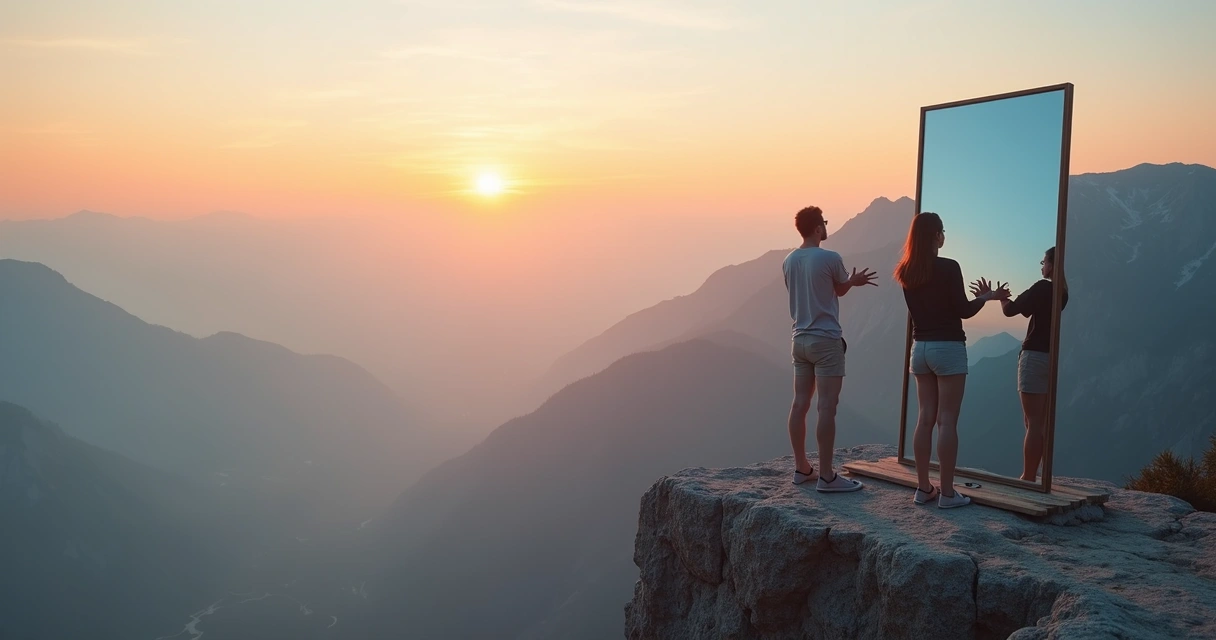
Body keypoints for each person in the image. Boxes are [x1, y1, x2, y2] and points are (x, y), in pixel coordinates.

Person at [894, 212, 1008, 508]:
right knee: (946, 421)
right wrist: (986, 298)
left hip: (920, 349)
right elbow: (963, 311)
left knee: (924, 419)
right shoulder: (949, 267)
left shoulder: (905, 271)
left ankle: (923, 489)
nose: (944, 236)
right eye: (942, 231)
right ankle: (947, 493)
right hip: (948, 348)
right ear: (936, 235)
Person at [783, 205, 878, 493]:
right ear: (817, 228)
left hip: (799, 339)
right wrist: (854, 281)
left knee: (799, 404)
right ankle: (826, 476)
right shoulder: (830, 258)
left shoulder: (789, 260)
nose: (826, 227)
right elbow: (839, 289)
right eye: (824, 222)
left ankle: (802, 468)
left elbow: (812, 292)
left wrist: (848, 283)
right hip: (826, 341)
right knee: (826, 406)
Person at [998, 246, 1068, 482]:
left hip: (1034, 358)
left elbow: (1010, 311)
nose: (1042, 267)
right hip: (1051, 359)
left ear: (1052, 264)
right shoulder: (1063, 293)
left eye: (1043, 262)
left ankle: (1028, 478)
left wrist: (1001, 297)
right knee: (1042, 423)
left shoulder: (1042, 288)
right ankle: (1043, 476)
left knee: (1032, 423)